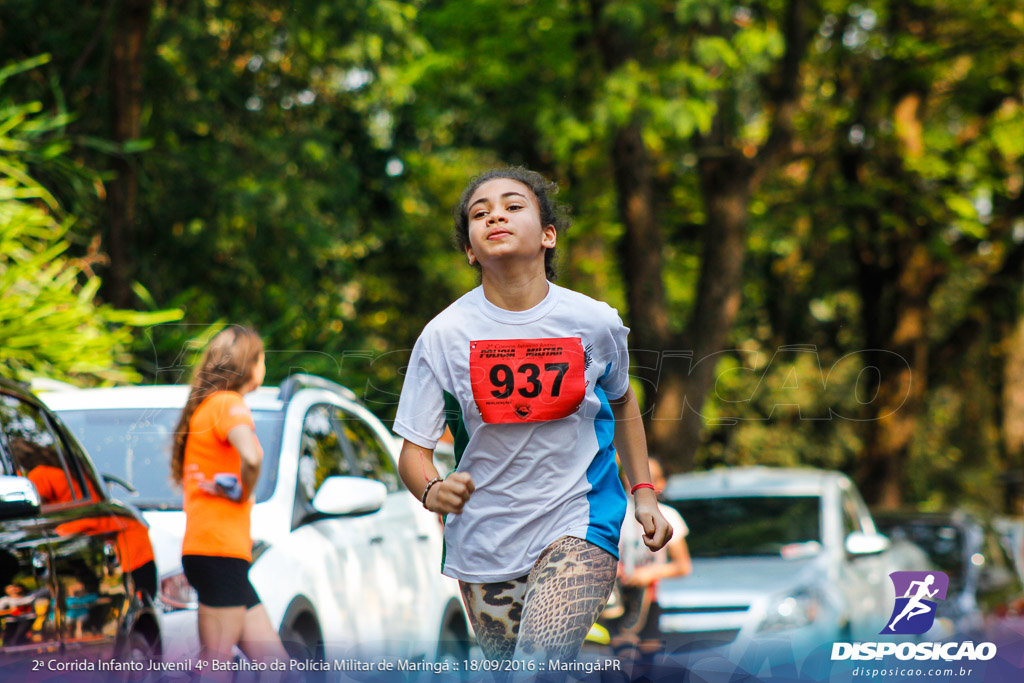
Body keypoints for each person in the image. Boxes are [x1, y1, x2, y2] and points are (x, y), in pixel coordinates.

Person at [394, 167, 673, 663]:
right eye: (480, 213)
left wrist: (643, 494)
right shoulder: (444, 335)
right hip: (484, 542)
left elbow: (623, 402)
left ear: (548, 235)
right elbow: (413, 453)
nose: (495, 215)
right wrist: (435, 490)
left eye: (512, 206)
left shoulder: (593, 322)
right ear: (470, 249)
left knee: (536, 667)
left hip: (580, 520)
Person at [170, 326, 288, 675]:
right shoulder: (227, 403)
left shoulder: (209, 406)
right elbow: (251, 457)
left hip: (220, 554)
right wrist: (245, 489)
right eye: (261, 358)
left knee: (277, 666)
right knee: (215, 665)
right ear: (249, 364)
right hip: (218, 552)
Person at [604, 457, 691, 674]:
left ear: (661, 483)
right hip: (614, 599)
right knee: (624, 661)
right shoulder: (611, 515)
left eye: (650, 477)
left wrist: (649, 572)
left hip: (647, 600)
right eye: (633, 473)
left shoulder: (669, 516)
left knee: (646, 665)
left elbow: (682, 566)